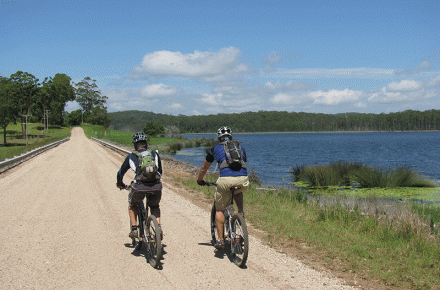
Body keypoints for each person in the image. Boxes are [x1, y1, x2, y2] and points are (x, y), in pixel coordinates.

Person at [197, 126, 249, 250]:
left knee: (219, 210)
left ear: (219, 138)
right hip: (243, 179)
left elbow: (205, 167)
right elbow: (244, 163)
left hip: (226, 181)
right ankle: (240, 214)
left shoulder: (215, 148)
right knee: (237, 191)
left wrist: (200, 179)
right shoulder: (240, 148)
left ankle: (220, 240)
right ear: (231, 137)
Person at [116, 132, 163, 239]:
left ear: (134, 146)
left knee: (132, 205)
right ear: (146, 145)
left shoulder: (131, 156)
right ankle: (158, 228)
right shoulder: (154, 154)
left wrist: (120, 184)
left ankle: (134, 229)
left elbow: (120, 173)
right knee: (155, 206)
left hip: (139, 187)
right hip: (156, 186)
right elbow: (160, 171)